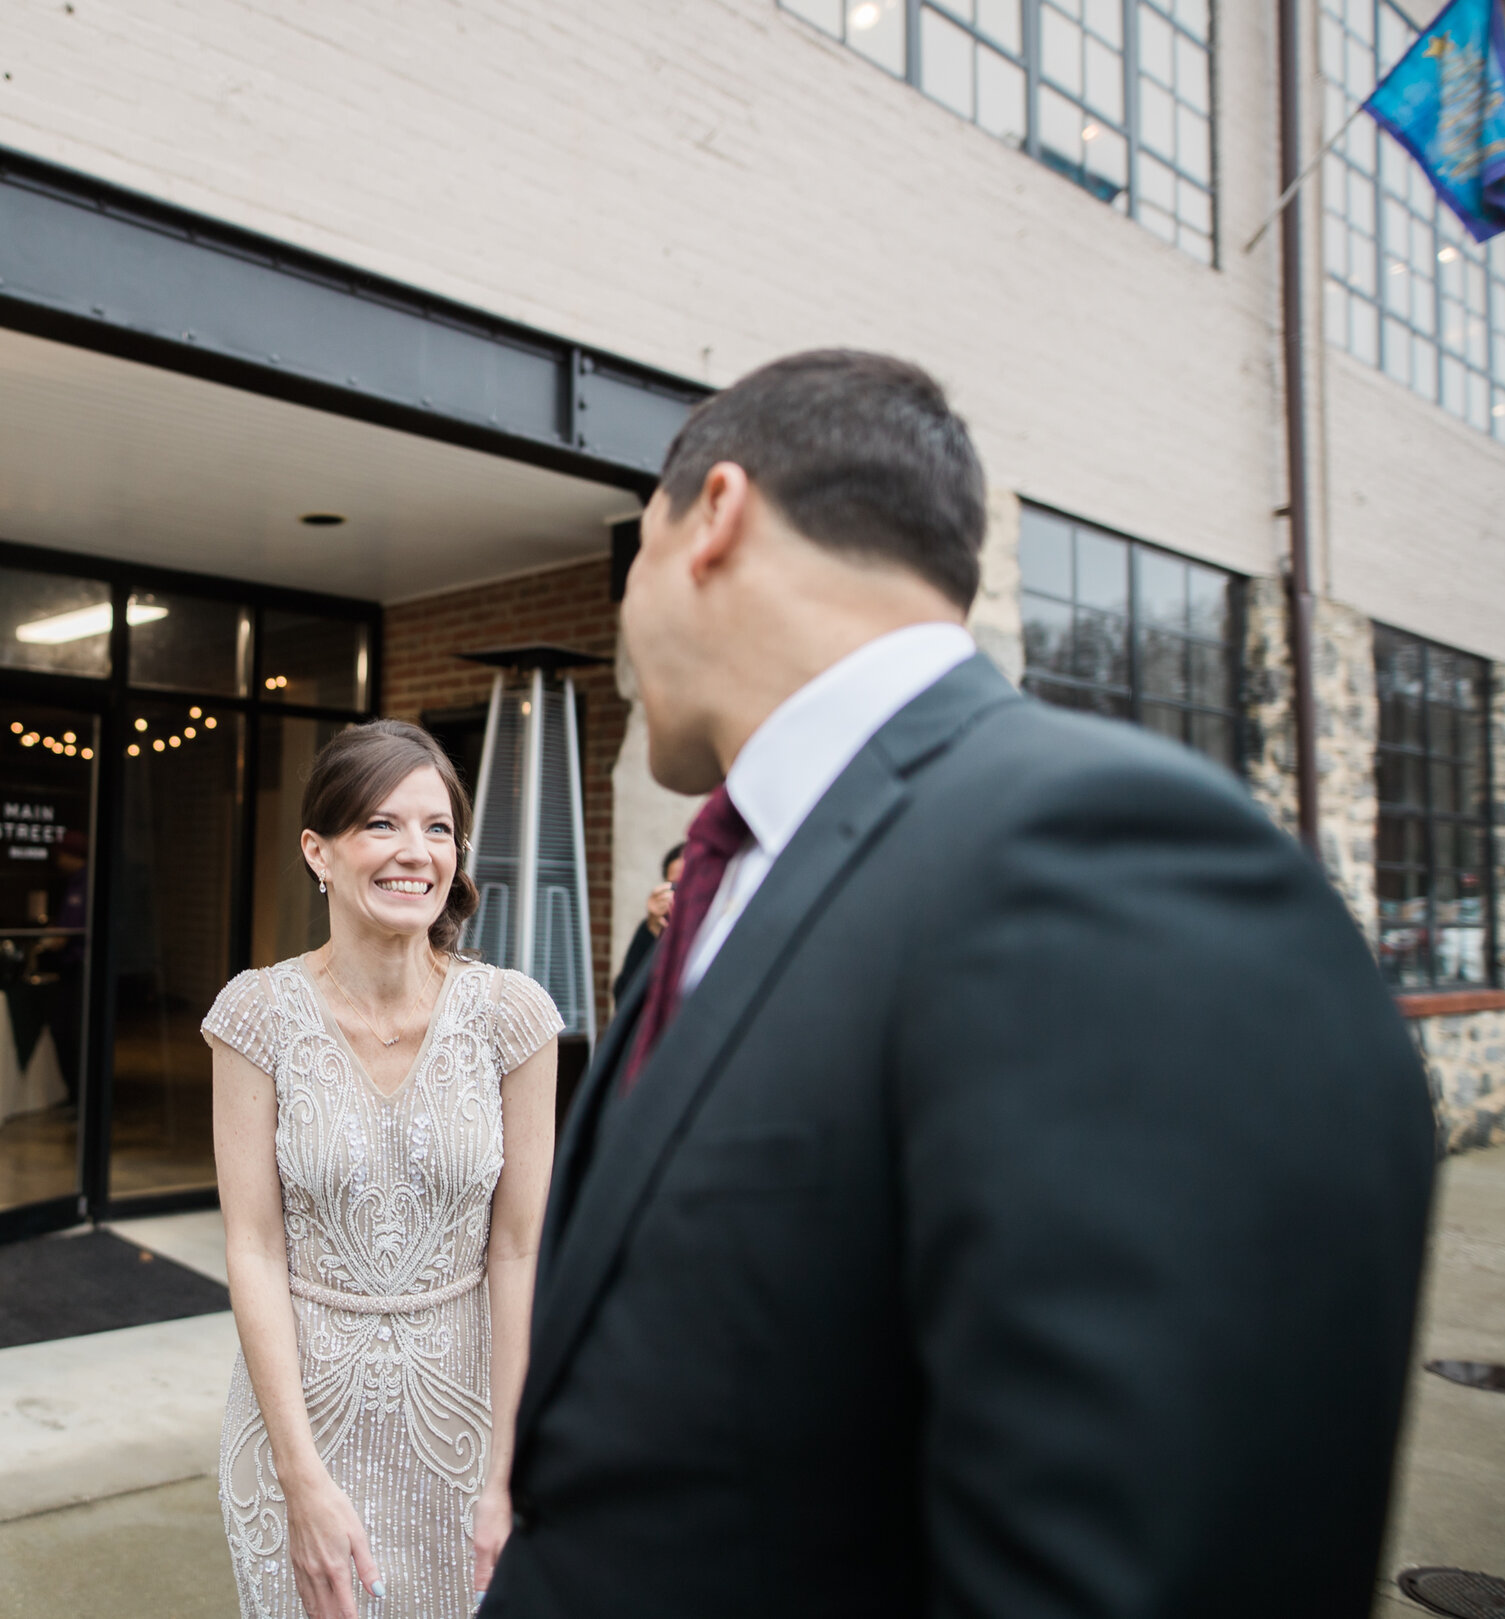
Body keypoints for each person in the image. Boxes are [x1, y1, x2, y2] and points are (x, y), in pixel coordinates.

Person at [485, 350, 1435, 1616]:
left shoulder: (1100, 859)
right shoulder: (708, 895)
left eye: (634, 555)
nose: (620, 624)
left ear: (713, 516)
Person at [207, 719, 560, 1619]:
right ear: (317, 851)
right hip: (301, 1423)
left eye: (438, 827)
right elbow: (252, 1249)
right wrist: (300, 1478)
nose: (417, 852)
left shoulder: (511, 1017)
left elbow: (519, 1251)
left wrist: (508, 1465)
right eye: (381, 824)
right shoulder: (256, 1017)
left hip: (465, 1429)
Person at [610, 843, 686, 1004]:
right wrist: (653, 929)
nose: (683, 893)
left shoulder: (717, 929)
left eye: (688, 883)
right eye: (675, 886)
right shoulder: (655, 926)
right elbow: (624, 997)